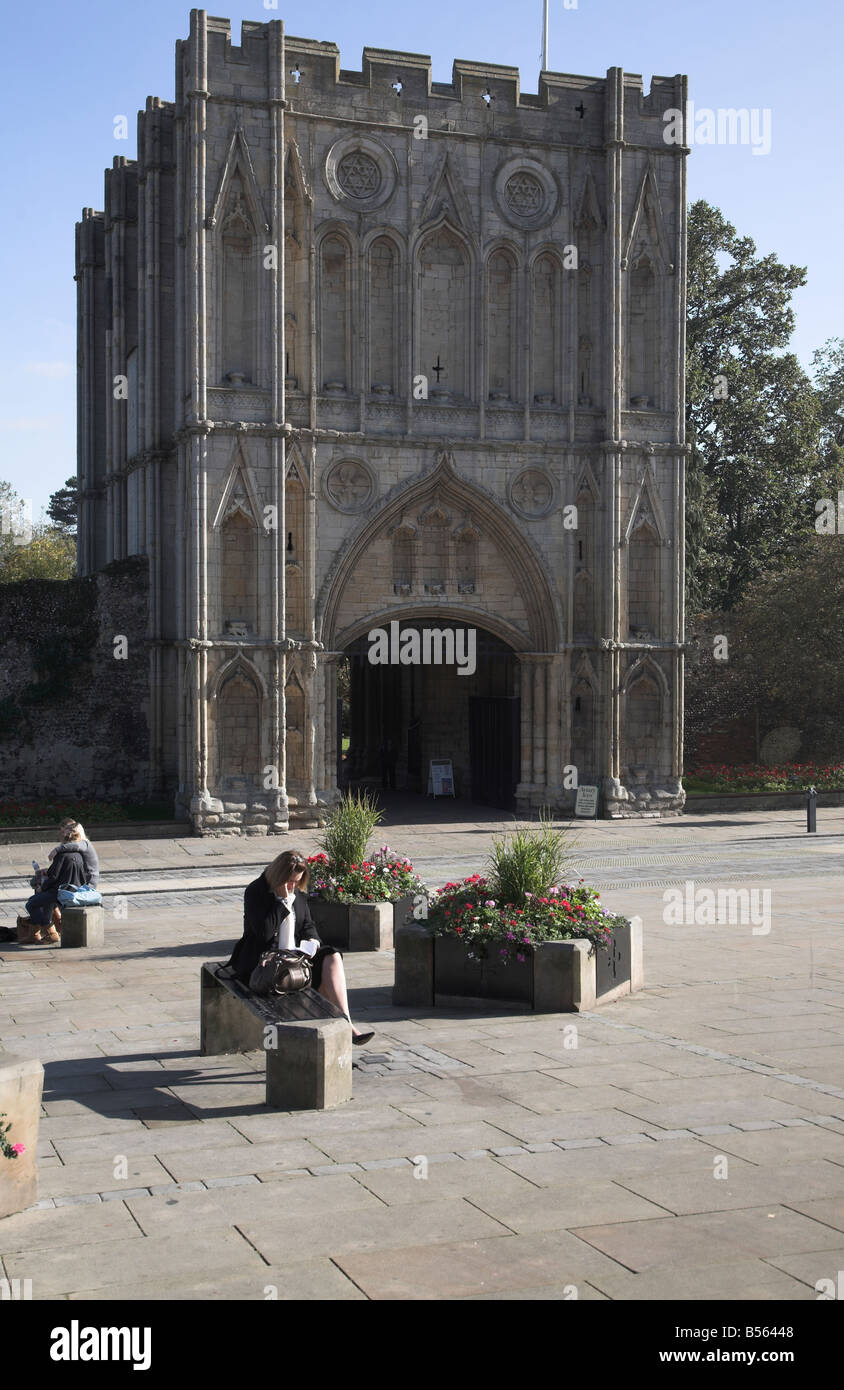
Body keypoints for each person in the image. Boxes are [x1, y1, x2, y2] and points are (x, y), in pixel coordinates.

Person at [228, 849, 374, 1046]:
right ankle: (335, 1042)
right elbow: (264, 933)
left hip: (296, 957)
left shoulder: (297, 892)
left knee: (332, 957)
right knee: (320, 988)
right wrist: (282, 902)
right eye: (290, 881)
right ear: (278, 876)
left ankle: (346, 1023)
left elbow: (308, 925)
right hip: (264, 962)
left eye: (297, 881)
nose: (293, 886)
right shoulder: (256, 891)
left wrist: (313, 941)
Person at [18, 821, 90, 945]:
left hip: (59, 892)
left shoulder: (61, 855)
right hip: (73, 891)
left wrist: (42, 887)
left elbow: (53, 877)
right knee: (46, 904)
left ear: (63, 841)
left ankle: (51, 932)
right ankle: (37, 935)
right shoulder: (79, 854)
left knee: (31, 904)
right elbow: (83, 876)